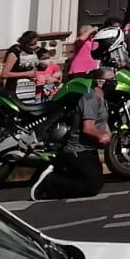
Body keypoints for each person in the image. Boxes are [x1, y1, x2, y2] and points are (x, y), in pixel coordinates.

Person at [30, 68, 111, 200]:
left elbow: (101, 122)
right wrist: (101, 136)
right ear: (100, 82)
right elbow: (88, 128)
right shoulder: (90, 99)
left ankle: (59, 171)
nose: (114, 83)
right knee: (91, 186)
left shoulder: (102, 99)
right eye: (111, 80)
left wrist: (107, 133)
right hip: (78, 150)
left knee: (98, 182)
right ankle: (49, 182)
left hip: (89, 150)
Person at [0, 30, 41, 104]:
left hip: (30, 91)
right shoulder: (15, 52)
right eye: (31, 44)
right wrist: (26, 74)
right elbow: (4, 74)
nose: (34, 46)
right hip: (16, 90)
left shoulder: (33, 52)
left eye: (35, 43)